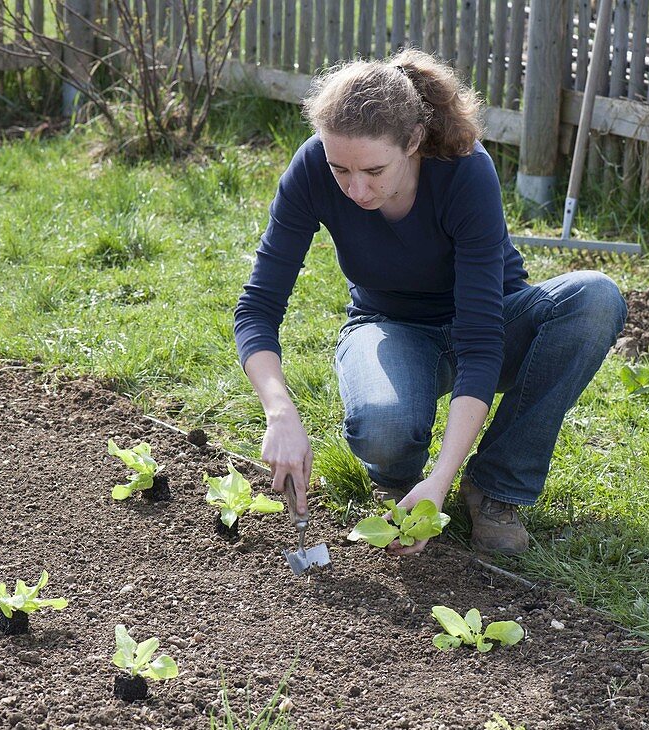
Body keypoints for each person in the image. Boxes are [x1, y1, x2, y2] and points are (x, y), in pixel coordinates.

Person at [233, 48, 627, 557]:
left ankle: (494, 488)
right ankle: (399, 482)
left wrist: (443, 479)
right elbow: (258, 307)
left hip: (488, 322)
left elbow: (482, 341)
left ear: (413, 142)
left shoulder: (465, 172)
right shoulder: (312, 167)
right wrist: (279, 412)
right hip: (389, 326)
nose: (356, 189)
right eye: (340, 170)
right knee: (384, 429)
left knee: (595, 299)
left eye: (374, 170)